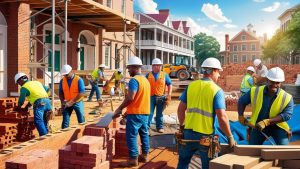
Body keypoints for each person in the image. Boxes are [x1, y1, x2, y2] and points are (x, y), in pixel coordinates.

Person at [176, 57, 236, 169]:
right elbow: (222, 117)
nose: (219, 76)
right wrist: (229, 136)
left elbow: (180, 109)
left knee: (183, 163)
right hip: (206, 137)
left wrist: (182, 126)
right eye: (218, 72)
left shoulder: (191, 86)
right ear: (213, 71)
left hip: (188, 134)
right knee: (208, 166)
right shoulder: (216, 90)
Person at [238, 67, 294, 145]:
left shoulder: (287, 97)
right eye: (272, 82)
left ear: (281, 83)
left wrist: (267, 122)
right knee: (252, 149)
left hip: (278, 127)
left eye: (277, 83)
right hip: (258, 126)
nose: (274, 85)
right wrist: (240, 115)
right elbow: (241, 101)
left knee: (283, 150)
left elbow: (287, 115)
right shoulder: (255, 91)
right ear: (267, 80)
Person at [112, 56, 150, 167]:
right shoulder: (145, 80)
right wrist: (126, 113)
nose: (128, 71)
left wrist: (119, 108)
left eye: (129, 68)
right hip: (145, 113)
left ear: (135, 68)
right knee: (144, 134)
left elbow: (131, 97)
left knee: (131, 136)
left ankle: (133, 159)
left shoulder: (134, 80)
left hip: (136, 115)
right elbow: (140, 99)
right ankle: (145, 156)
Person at [146, 58, 172, 133]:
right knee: (149, 113)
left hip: (161, 97)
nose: (158, 67)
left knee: (159, 114)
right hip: (150, 97)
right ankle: (147, 128)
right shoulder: (148, 75)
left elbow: (169, 84)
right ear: (153, 66)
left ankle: (159, 127)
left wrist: (169, 94)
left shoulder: (165, 75)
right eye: (156, 66)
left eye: (159, 66)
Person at [59, 64, 86, 129]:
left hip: (77, 102)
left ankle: (83, 132)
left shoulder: (79, 80)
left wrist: (72, 102)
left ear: (71, 71)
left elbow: (81, 93)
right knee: (65, 120)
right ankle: (64, 134)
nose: (66, 76)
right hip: (67, 102)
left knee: (81, 119)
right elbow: (61, 92)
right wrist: (62, 102)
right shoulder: (62, 81)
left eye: (67, 74)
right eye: (64, 75)